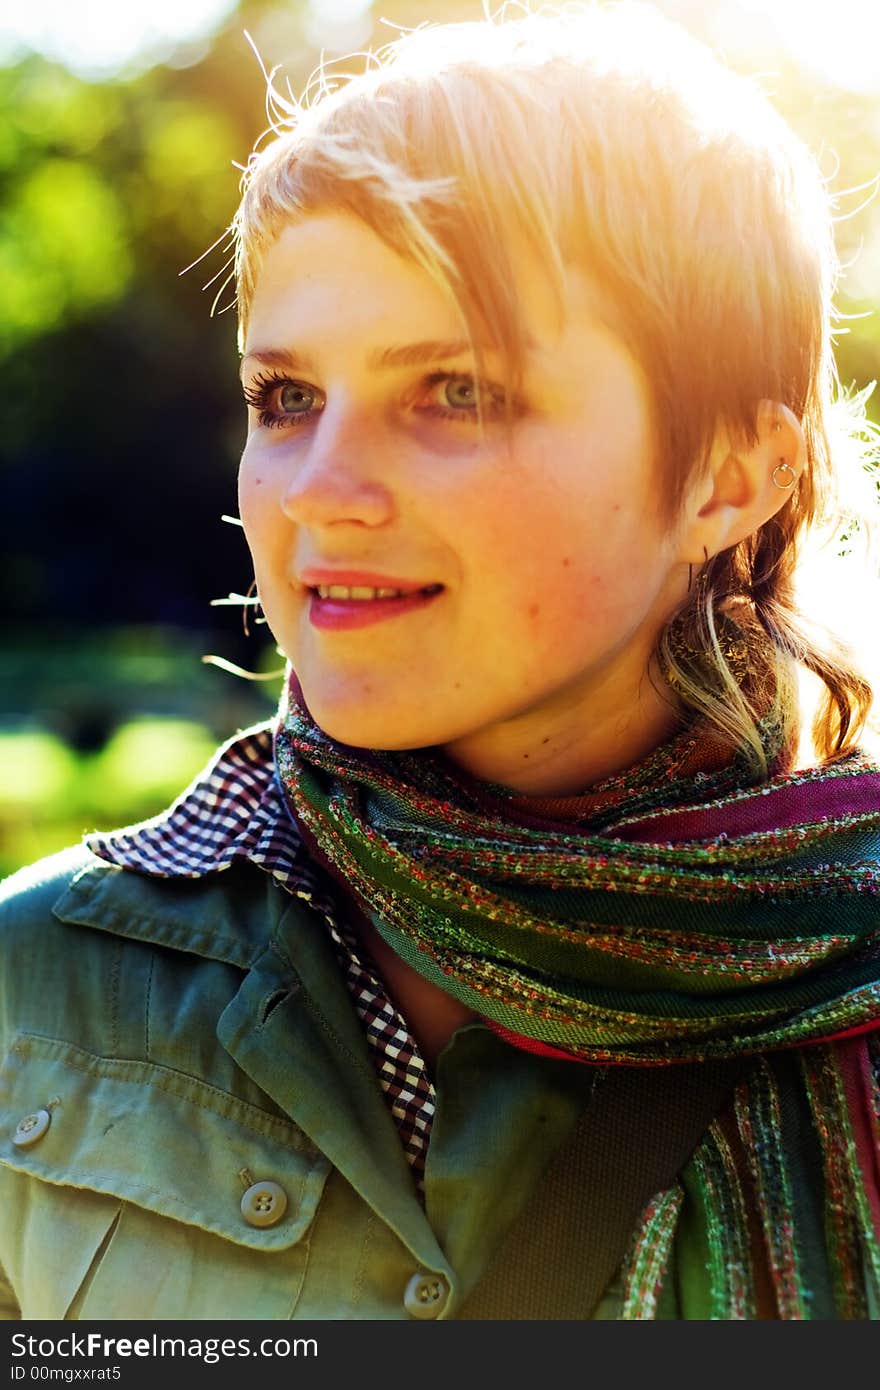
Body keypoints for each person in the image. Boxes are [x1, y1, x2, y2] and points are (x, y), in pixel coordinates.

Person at [1, 1, 879, 1322]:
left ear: (733, 475)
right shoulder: (43, 978)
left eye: (453, 391)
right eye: (286, 398)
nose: (320, 490)